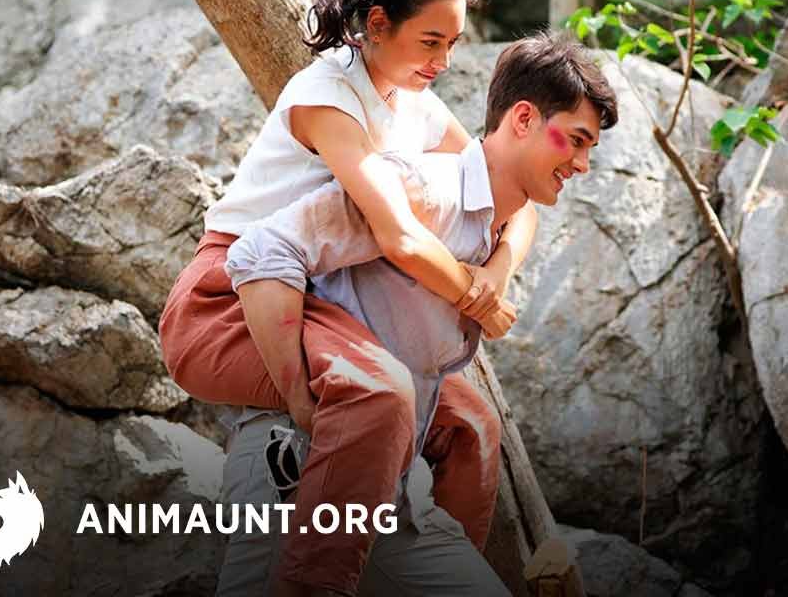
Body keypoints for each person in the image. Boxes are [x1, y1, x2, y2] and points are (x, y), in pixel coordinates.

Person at [158, 0, 537, 594]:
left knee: (472, 424)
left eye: (453, 43)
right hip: (232, 298)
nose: (443, 62)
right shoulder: (327, 96)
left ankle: (425, 564)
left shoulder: (416, 104)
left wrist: (496, 273)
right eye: (430, 41)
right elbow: (397, 235)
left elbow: (513, 196)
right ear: (379, 24)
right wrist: (470, 294)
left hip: (325, 305)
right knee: (378, 392)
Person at [217, 34, 619, 596]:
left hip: (391, 493)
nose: (581, 164)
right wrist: (301, 403)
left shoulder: (492, 223)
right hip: (294, 469)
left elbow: (518, 216)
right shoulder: (422, 189)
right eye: (575, 141)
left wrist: (497, 270)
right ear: (524, 119)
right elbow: (261, 251)